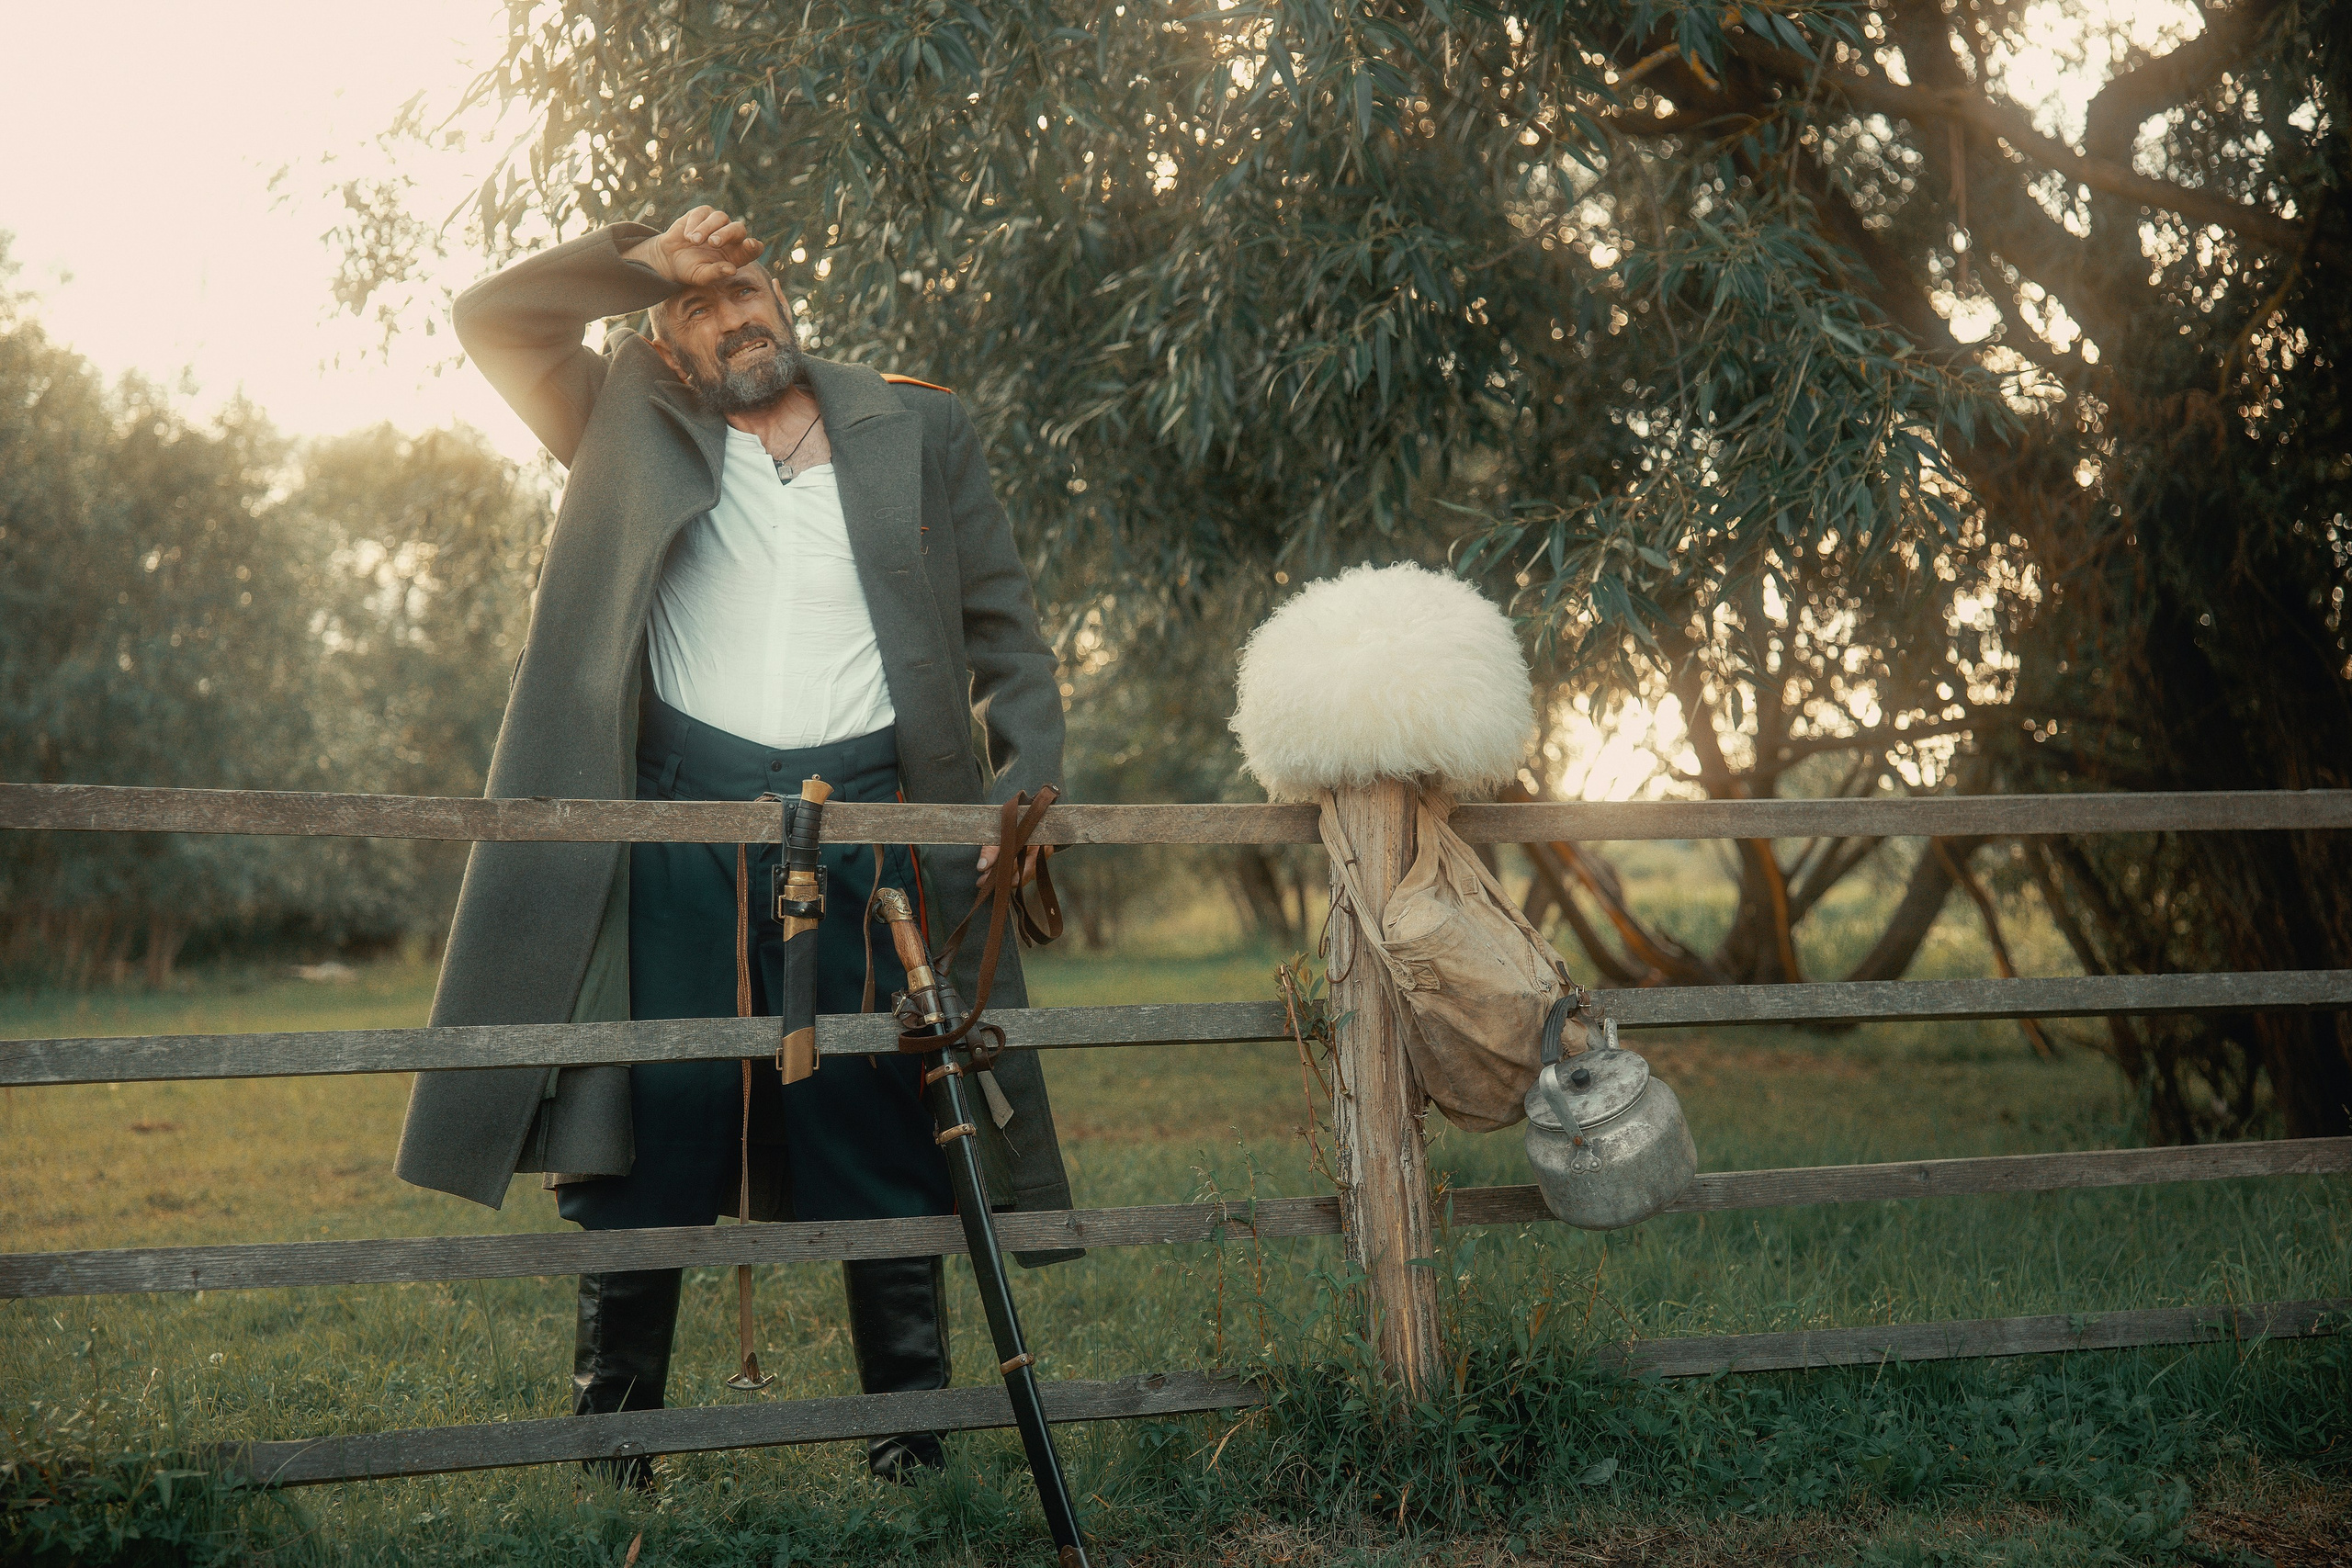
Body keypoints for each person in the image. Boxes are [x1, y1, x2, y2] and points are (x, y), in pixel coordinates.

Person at [392, 206, 1080, 1488]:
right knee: (658, 1106)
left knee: (884, 1111)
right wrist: (639, 260)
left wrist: (1026, 785)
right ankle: (616, 1446)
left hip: (875, 820)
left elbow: (1007, 630)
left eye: (747, 288)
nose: (735, 315)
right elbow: (495, 317)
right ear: (664, 342)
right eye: (700, 306)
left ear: (787, 297)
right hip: (681, 820)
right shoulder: (621, 418)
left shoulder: (916, 422)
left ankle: (910, 1446)